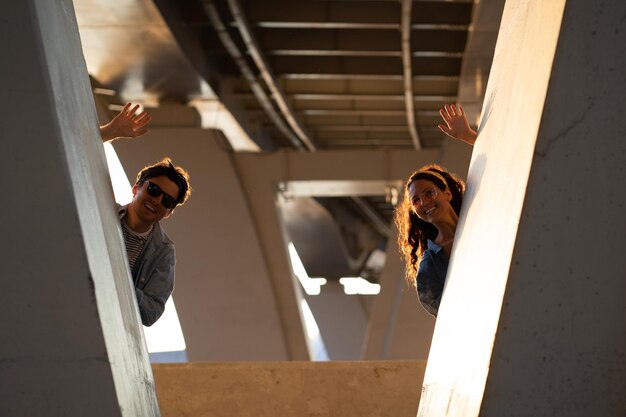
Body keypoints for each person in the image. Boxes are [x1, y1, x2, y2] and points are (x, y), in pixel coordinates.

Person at [100, 104, 192, 326]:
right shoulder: (100, 211)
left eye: (167, 201)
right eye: (153, 190)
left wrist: (115, 276)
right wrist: (109, 132)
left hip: (107, 330)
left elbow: (150, 313)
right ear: (136, 187)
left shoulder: (163, 252)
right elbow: (71, 156)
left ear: (169, 212)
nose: (157, 200)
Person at [395, 104, 475, 317]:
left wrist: (469, 137)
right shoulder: (430, 264)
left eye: (429, 193)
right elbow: (449, 317)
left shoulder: (481, 217)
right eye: (416, 200)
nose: (424, 202)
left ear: (447, 193)